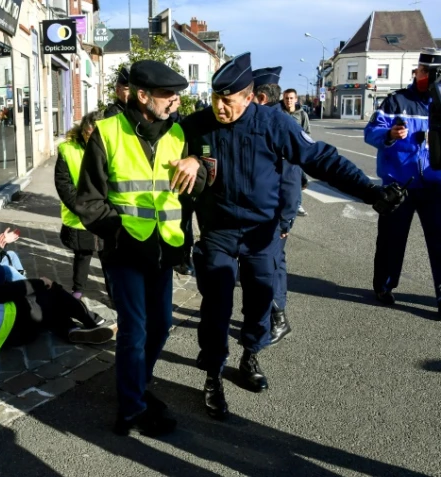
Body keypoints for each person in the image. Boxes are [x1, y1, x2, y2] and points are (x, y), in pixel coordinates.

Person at [182, 52, 405, 420]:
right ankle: (213, 375)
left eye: (229, 100)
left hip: (261, 233)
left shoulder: (273, 123)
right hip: (218, 232)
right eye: (215, 98)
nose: (220, 107)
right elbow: (175, 181)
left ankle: (250, 355)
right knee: (216, 306)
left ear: (250, 96)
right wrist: (178, 239)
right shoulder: (196, 126)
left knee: (259, 303)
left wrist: (371, 192)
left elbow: (321, 159)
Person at [75, 59, 207, 436]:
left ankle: (138, 382)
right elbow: (88, 200)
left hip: (164, 248)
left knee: (161, 324)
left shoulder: (179, 134)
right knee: (135, 329)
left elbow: (198, 188)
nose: (175, 102)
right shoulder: (107, 131)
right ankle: (131, 408)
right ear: (143, 95)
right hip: (125, 249)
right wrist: (117, 233)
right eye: (168, 95)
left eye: (177, 95)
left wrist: (196, 164)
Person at [364, 48, 441, 315]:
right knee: (391, 240)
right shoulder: (396, 101)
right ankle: (383, 286)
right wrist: (390, 133)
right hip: (400, 185)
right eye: (423, 71)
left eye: (431, 74)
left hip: (435, 185)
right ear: (417, 71)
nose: (426, 77)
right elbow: (371, 132)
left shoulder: (439, 103)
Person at [252, 67, 297, 346]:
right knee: (273, 263)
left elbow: (291, 180)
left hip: (274, 213)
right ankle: (273, 316)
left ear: (261, 98)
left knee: (273, 265)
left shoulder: (279, 126)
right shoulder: (269, 122)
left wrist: (285, 220)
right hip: (268, 212)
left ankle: (278, 319)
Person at [55, 111, 104, 300]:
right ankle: (78, 289)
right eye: (87, 133)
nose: (89, 137)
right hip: (80, 213)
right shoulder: (68, 149)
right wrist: (81, 207)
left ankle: (115, 294)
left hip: (105, 212)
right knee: (83, 254)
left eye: (94, 134)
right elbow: (63, 183)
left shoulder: (112, 147)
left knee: (108, 258)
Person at [282, 88, 311, 217]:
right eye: (286, 98)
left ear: (296, 99)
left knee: (297, 177)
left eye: (291, 98)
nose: (289, 100)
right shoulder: (279, 112)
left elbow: (307, 133)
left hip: (296, 150)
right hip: (282, 151)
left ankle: (297, 204)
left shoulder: (302, 114)